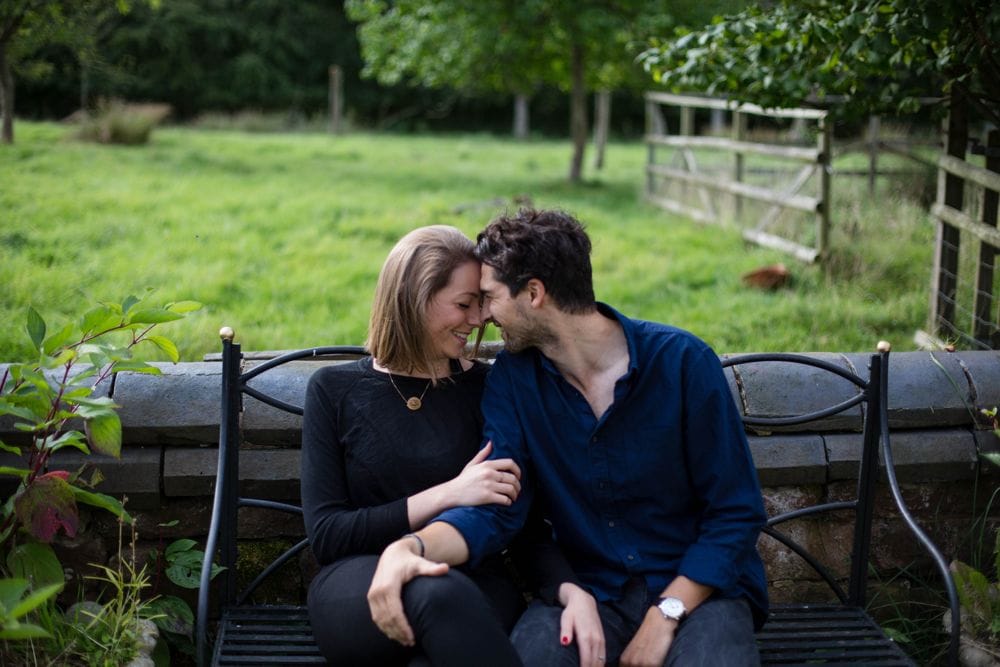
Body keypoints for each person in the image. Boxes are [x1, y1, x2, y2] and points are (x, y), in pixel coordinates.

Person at [367, 209, 769, 667]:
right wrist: (409, 548)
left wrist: (666, 614)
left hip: (698, 594)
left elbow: (735, 512)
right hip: (589, 594)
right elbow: (497, 509)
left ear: (534, 293)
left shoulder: (683, 363)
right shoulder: (514, 383)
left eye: (491, 297)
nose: (482, 317)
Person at [301, 225, 530, 666]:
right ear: (414, 298)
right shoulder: (334, 390)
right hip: (356, 579)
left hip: (473, 575)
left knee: (440, 617)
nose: (478, 319)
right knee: (434, 593)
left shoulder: (488, 389)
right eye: (464, 305)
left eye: (481, 304)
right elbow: (328, 536)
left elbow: (518, 507)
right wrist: (448, 494)